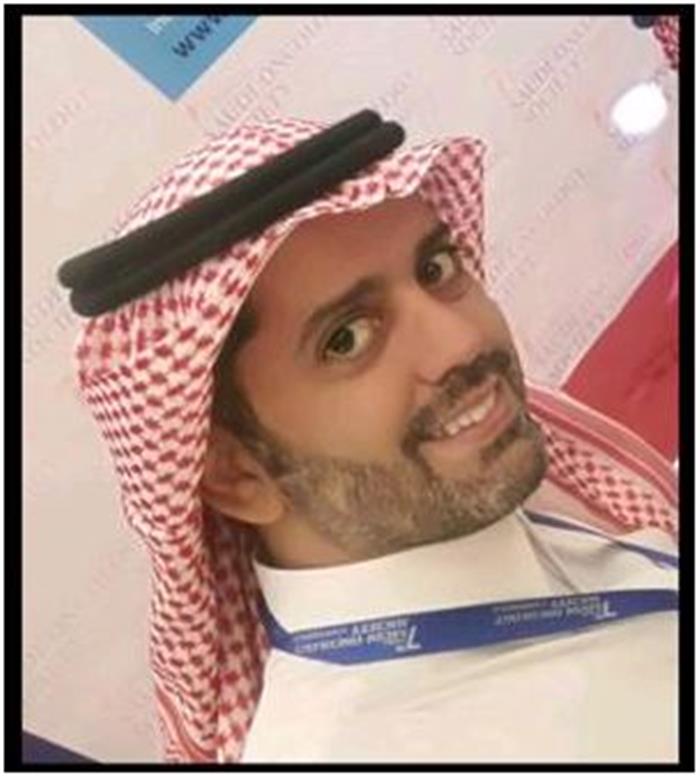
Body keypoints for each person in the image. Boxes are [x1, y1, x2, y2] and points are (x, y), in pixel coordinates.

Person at [60, 113, 678, 763]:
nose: (462, 340)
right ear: (236, 474)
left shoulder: (506, 498)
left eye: (436, 268)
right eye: (346, 338)